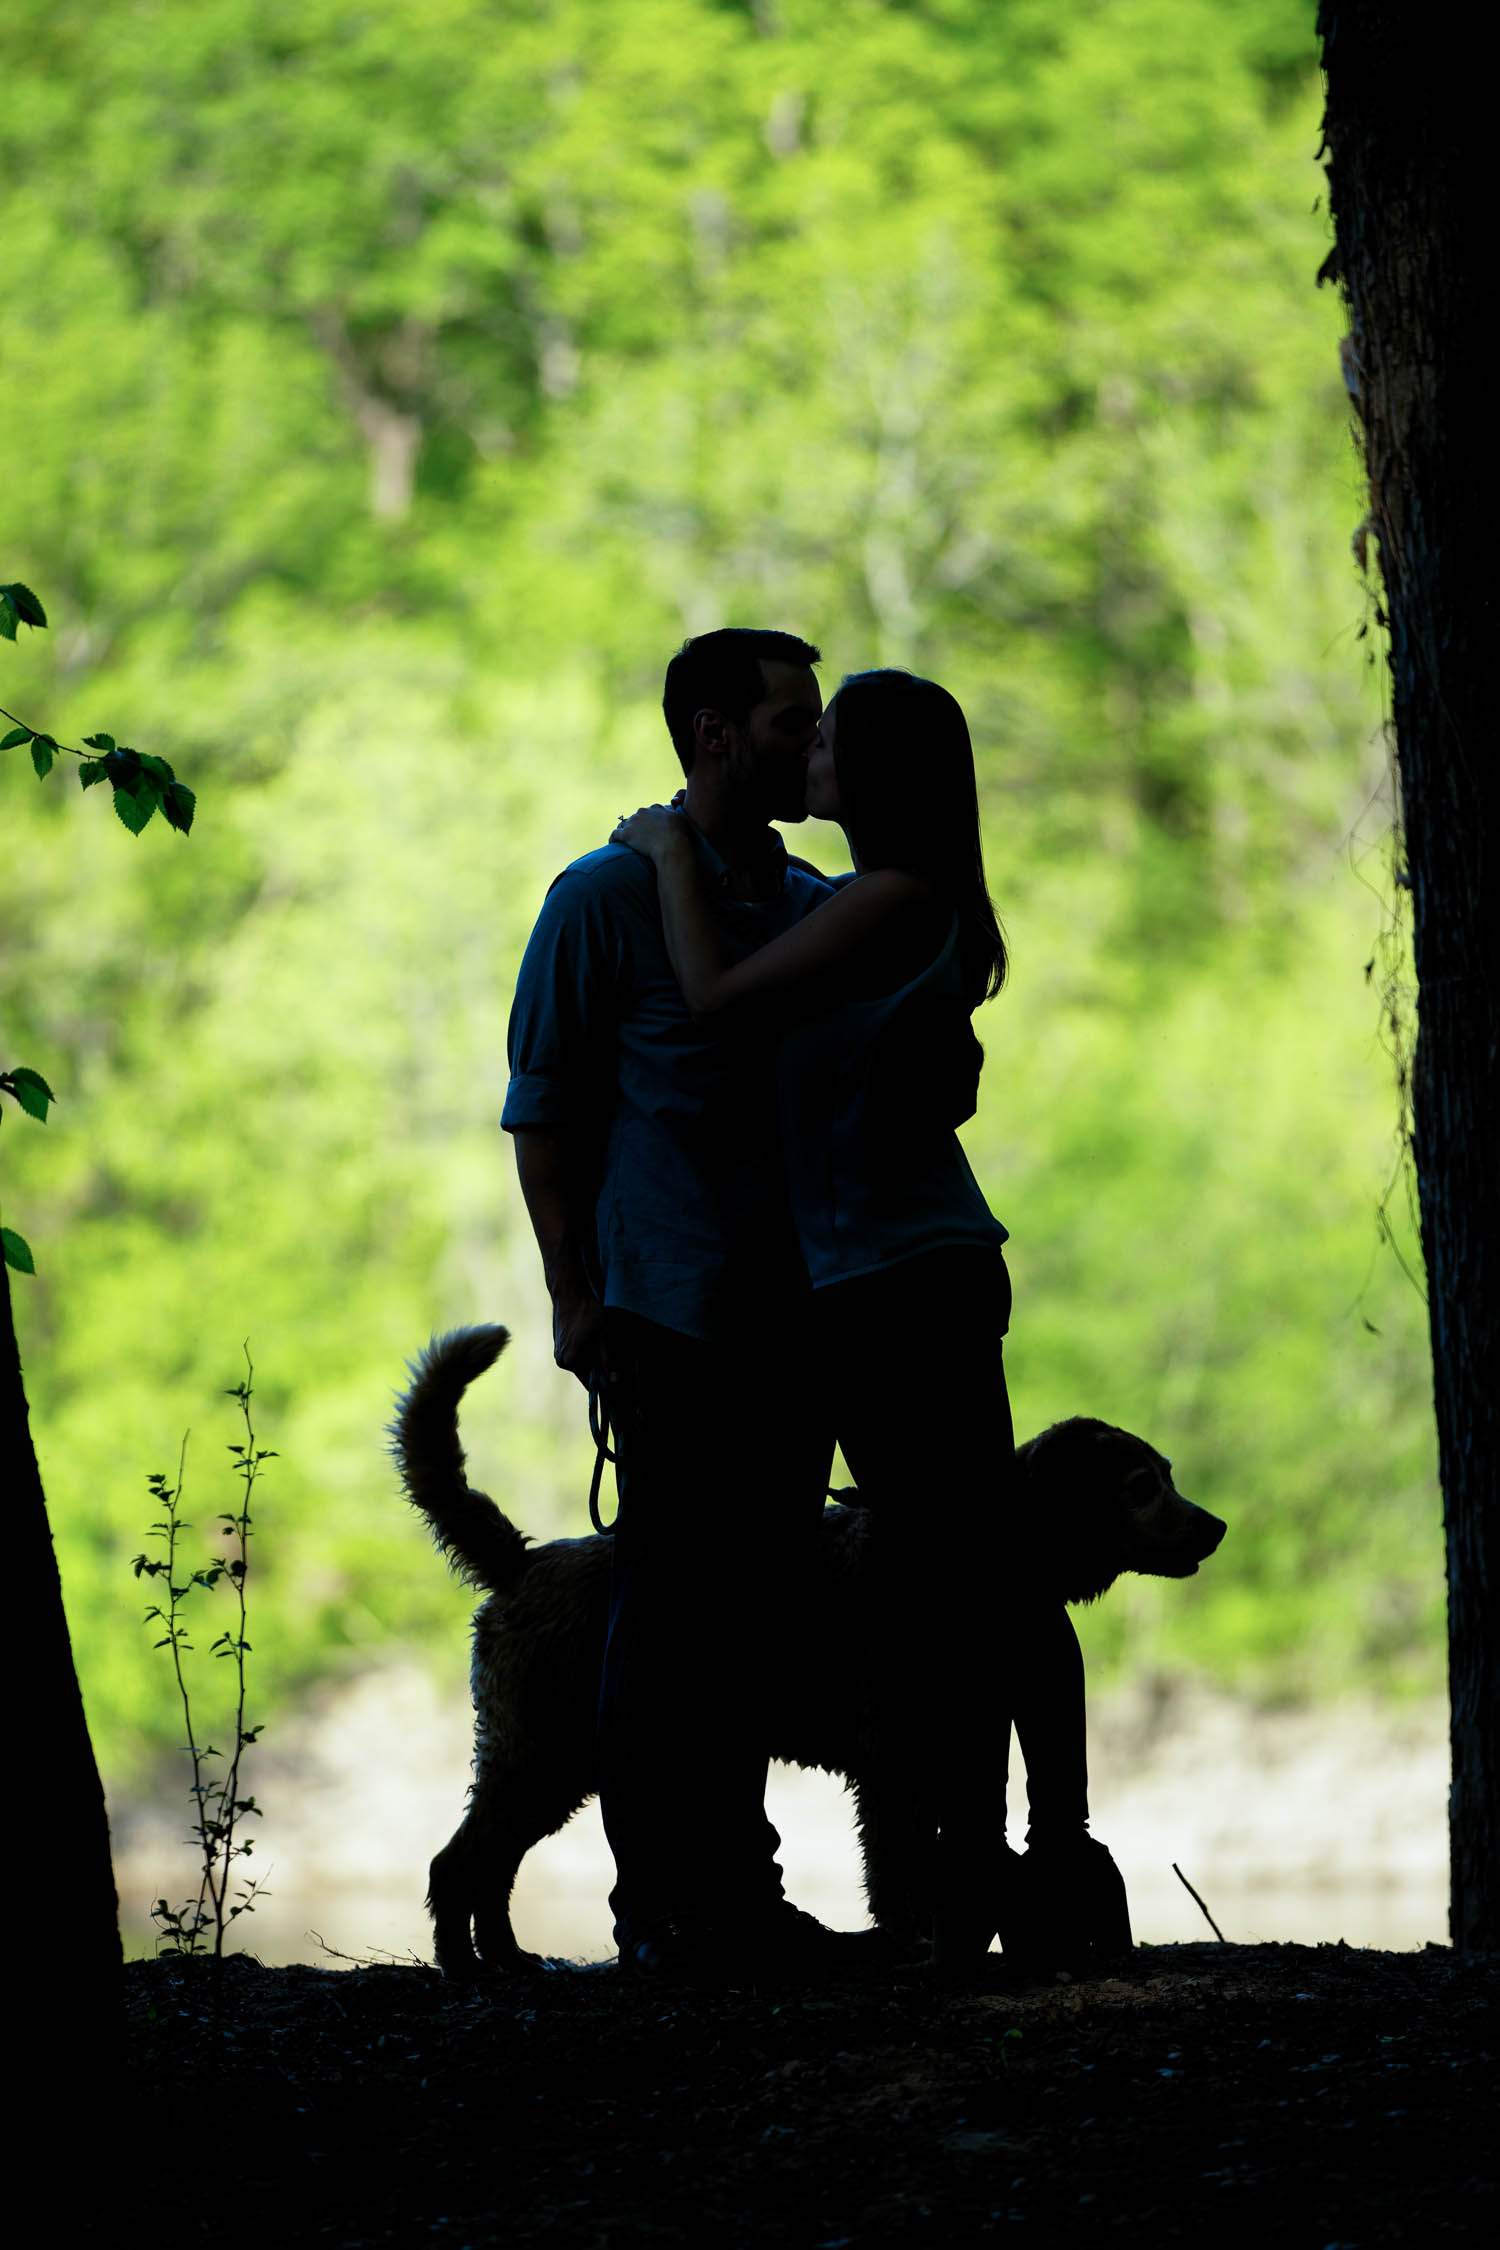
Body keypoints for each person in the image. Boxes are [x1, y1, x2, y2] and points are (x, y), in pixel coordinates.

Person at [612, 668, 1127, 1969]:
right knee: (942, 1579)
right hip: (857, 1287)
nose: (815, 747)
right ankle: (967, 1872)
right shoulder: (865, 905)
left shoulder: (893, 899)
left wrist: (671, 844)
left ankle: (1041, 1860)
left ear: (879, 772)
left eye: (833, 735)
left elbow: (724, 1002)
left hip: (909, 1284)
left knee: (985, 1580)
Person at [502, 626, 854, 1980]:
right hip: (664, 1313)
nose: (806, 748)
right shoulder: (601, 900)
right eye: (787, 724)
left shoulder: (811, 904)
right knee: (664, 1609)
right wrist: (573, 1298)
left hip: (796, 1315)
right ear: (713, 734)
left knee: (757, 1607)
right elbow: (545, 1114)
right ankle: (662, 1909)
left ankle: (739, 1895)